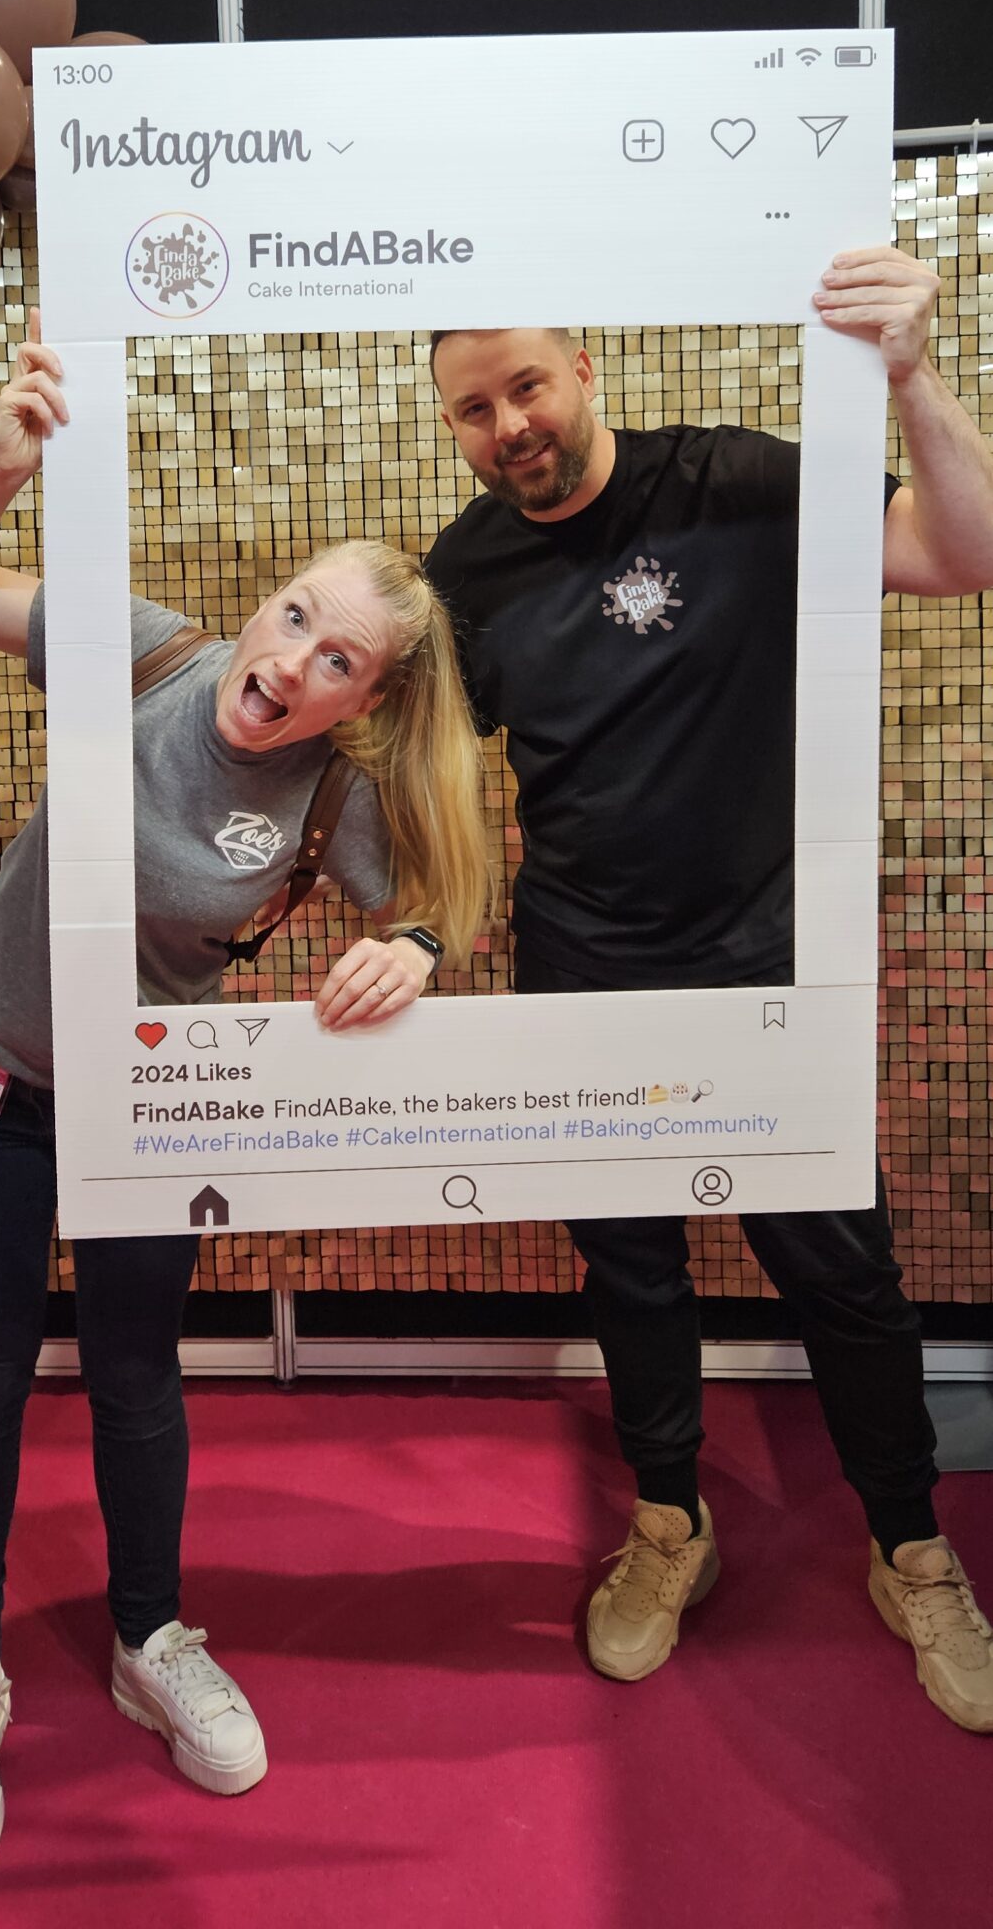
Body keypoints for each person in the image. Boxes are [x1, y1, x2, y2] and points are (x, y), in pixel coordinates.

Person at [0, 309, 487, 1885]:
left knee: (138, 1371)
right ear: (263, 598)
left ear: (363, 700)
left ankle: (149, 1637)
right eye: (294, 616)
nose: (288, 663)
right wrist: (1, 473)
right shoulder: (148, 647)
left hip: (150, 1107)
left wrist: (416, 949)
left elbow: (437, 897)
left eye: (336, 660)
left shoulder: (334, 796)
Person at [424, 244, 993, 1735]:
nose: (510, 427)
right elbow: (426, 787)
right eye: (474, 409)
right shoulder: (463, 572)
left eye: (527, 385)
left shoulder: (735, 484)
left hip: (767, 965)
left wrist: (913, 378)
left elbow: (962, 552)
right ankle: (671, 1521)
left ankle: (911, 1546)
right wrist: (411, 927)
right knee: (632, 1273)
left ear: (585, 365)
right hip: (584, 975)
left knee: (845, 1274)